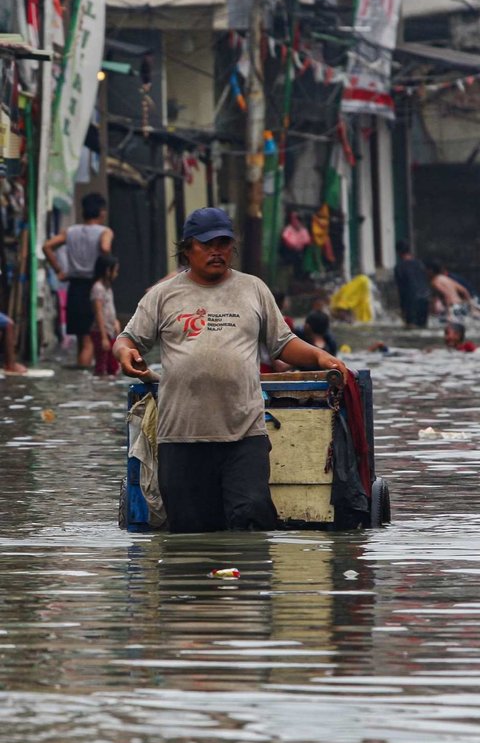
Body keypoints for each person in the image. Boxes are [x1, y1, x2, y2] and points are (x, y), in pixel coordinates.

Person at [113, 206, 349, 534]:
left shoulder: (253, 289)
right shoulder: (162, 296)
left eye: (224, 243)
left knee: (252, 514)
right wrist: (126, 354)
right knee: (190, 533)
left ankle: (248, 584)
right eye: (207, 244)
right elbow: (127, 339)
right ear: (186, 249)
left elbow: (283, 343)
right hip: (181, 437)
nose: (216, 251)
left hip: (244, 434)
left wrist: (322, 358)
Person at [43, 193, 114, 367]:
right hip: (93, 287)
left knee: (82, 340)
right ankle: (84, 387)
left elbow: (47, 246)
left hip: (74, 287)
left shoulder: (71, 231)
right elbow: (105, 247)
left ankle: (79, 379)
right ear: (102, 212)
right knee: (90, 340)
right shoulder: (105, 232)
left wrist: (59, 270)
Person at [90, 254, 121, 376]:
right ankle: (101, 390)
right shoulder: (98, 288)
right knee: (102, 367)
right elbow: (98, 313)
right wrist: (103, 337)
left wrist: (115, 322)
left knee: (113, 366)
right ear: (108, 270)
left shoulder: (107, 287)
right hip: (101, 332)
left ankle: (108, 389)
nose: (116, 274)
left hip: (109, 331)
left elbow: (109, 309)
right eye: (115, 270)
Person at [394, 241, 430, 329]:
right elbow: (425, 281)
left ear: (398, 252)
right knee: (423, 327)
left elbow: (401, 289)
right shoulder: (420, 264)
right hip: (425, 298)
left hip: (411, 301)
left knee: (411, 328)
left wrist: (402, 308)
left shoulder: (399, 267)